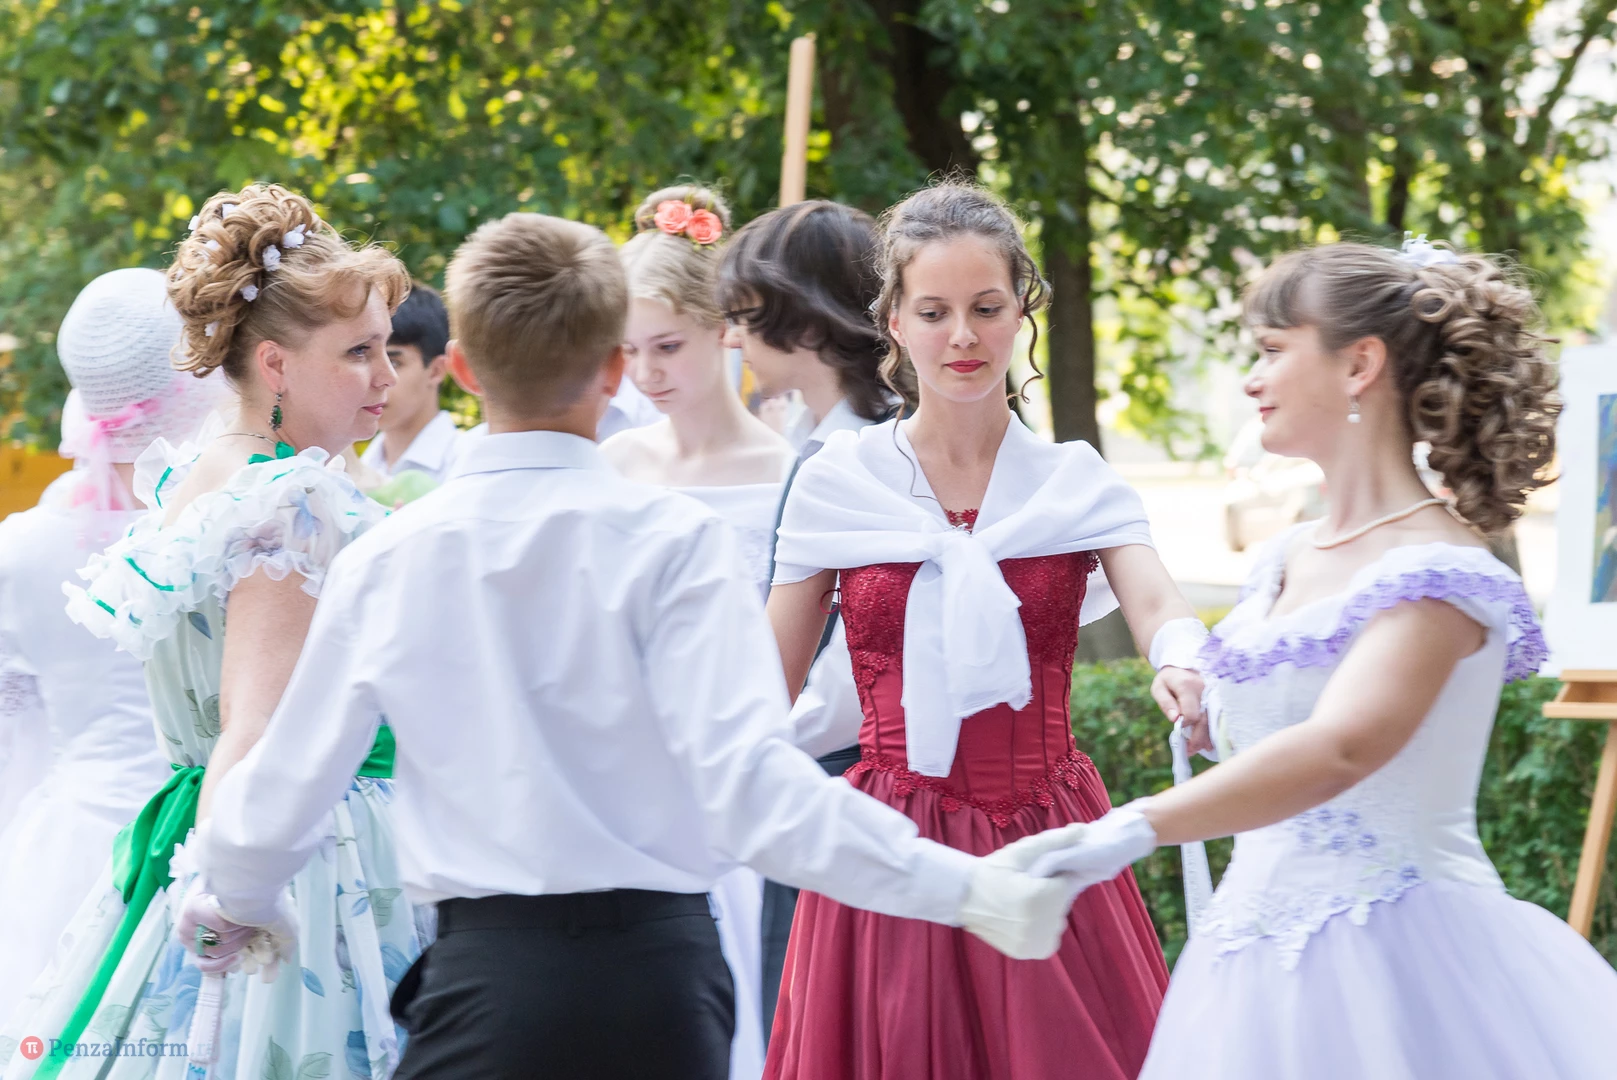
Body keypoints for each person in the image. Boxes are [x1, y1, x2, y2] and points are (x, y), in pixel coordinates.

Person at [182, 210, 1091, 1080]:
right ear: (615, 369)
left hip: (486, 986)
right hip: (660, 985)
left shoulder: (390, 560)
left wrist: (237, 896)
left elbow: (285, 783)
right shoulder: (677, 544)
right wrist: (961, 888)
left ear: (460, 368)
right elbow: (757, 789)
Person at [1036, 239, 1617, 1078]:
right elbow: (1285, 725)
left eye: (1272, 349)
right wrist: (1210, 708)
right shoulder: (1284, 557)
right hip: (1249, 967)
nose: (1251, 379)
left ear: (1358, 365)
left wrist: (1132, 826)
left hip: (1400, 965)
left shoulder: (1437, 571)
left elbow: (1340, 747)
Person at [762, 181, 1208, 1080]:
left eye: (986, 308)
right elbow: (761, 675)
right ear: (893, 320)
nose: (961, 336)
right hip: (887, 845)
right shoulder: (839, 483)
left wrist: (1183, 661)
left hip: (1049, 833)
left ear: (1021, 312)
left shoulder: (1072, 481)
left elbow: (1158, 605)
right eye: (933, 312)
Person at [0, 183, 421, 1080]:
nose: (387, 376)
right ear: (275, 364)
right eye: (359, 352)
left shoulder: (199, 473)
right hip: (305, 845)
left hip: (202, 823)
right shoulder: (291, 500)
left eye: (387, 348)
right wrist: (233, 890)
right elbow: (254, 725)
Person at [0, 269, 228, 1022]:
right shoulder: (225, 531)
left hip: (65, 850)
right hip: (205, 838)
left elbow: (13, 738)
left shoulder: (20, 547)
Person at [601, 184, 789, 1080]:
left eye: (667, 346)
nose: (647, 372)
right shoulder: (613, 465)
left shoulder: (786, 469)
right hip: (633, 771)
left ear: (723, 330)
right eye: (629, 351)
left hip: (747, 757)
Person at [715, 200, 904, 1032]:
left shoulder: (863, 457)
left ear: (799, 320)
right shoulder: (821, 440)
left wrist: (745, 755)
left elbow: (849, 669)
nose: (730, 338)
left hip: (843, 784)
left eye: (742, 316)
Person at [360, 283, 458, 485]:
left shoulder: (465, 466)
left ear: (436, 370)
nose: (375, 378)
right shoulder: (350, 470)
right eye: (361, 358)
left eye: (394, 362)